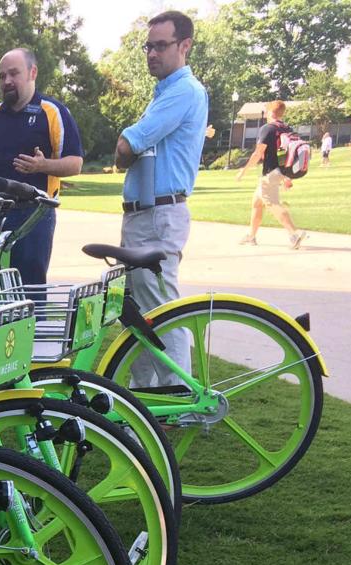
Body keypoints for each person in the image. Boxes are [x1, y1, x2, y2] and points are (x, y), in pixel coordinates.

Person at [113, 10, 208, 388]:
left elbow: (126, 145)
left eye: (161, 45)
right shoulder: (166, 92)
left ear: (184, 46)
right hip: (145, 214)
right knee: (137, 309)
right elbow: (128, 149)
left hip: (158, 213)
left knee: (160, 311)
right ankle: (146, 398)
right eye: (148, 46)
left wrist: (127, 150)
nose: (152, 53)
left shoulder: (184, 91)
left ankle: (181, 397)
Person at [0, 48, 83, 286]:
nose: (7, 81)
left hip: (34, 214)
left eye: (14, 73)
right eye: (2, 76)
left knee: (28, 291)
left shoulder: (52, 112)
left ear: (32, 73)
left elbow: (75, 163)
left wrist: (43, 165)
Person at [236, 100, 307, 249]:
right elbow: (287, 153)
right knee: (257, 203)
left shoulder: (267, 129)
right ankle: (251, 236)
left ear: (270, 112)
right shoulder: (286, 128)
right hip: (281, 171)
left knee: (273, 204)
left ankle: (294, 234)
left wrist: (244, 170)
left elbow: (258, 153)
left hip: (270, 173)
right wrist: (287, 176)